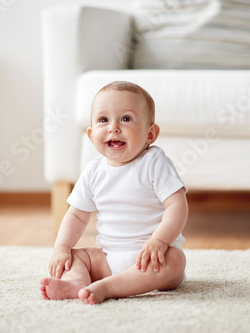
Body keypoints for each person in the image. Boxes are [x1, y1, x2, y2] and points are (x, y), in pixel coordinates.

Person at [40, 81, 188, 304]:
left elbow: (177, 205)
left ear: (150, 134)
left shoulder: (154, 162)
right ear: (91, 135)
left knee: (175, 260)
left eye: (126, 119)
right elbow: (76, 215)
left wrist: (160, 240)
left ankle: (108, 288)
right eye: (103, 120)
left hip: (153, 259)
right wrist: (62, 248)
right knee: (76, 256)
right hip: (109, 260)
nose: (113, 128)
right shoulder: (94, 171)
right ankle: (77, 283)